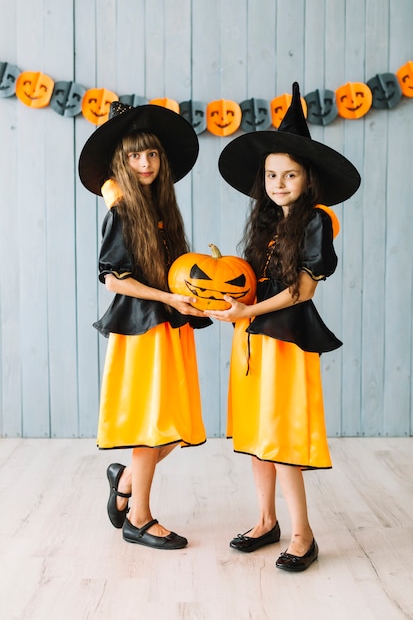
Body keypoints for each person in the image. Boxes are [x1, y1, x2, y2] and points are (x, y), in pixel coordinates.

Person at [205, 82, 360, 571]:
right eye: (272, 175)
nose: (278, 183)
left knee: (284, 439)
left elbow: (302, 290)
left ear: (307, 179)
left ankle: (303, 534)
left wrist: (246, 313)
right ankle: (266, 521)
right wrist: (222, 296)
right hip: (252, 342)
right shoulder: (265, 224)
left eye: (289, 175)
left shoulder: (316, 221)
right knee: (256, 435)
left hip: (286, 342)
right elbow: (253, 282)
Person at [78, 101, 211, 550]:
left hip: (172, 325)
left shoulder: (164, 210)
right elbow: (114, 279)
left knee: (176, 424)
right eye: (135, 156)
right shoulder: (121, 213)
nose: (145, 163)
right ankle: (139, 518)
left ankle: (126, 478)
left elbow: (175, 272)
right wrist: (165, 298)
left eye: (152, 154)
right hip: (141, 330)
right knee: (151, 423)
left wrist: (193, 298)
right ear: (122, 161)